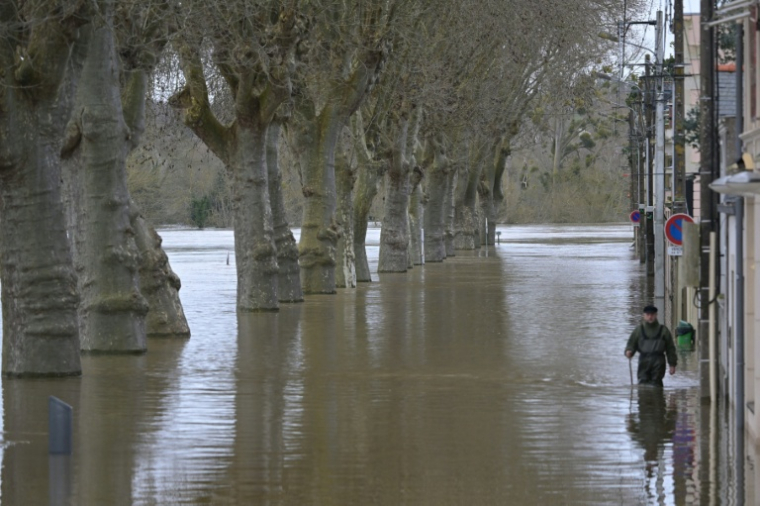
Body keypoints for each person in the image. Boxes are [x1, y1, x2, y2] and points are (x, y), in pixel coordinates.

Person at [625, 305, 677, 386]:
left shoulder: (663, 331)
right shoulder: (639, 330)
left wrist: (672, 364)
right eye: (648, 314)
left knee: (656, 385)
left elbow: (670, 348)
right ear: (644, 316)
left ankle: (657, 398)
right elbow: (631, 344)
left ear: (656, 315)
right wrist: (629, 351)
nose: (650, 317)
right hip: (644, 361)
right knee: (642, 385)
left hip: (658, 362)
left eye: (652, 314)